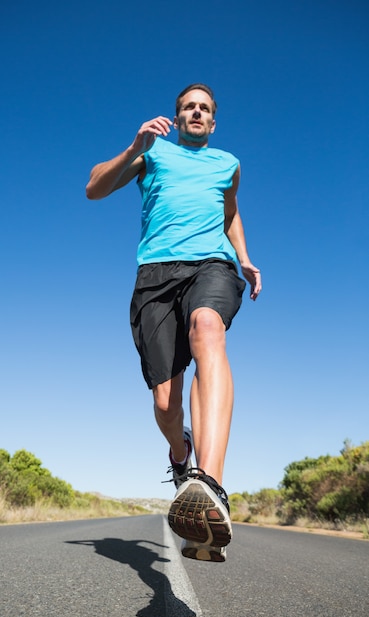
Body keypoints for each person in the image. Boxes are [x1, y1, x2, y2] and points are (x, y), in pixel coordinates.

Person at [86, 83, 261, 562]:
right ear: (178, 116)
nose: (197, 113)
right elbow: (93, 189)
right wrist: (134, 147)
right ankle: (181, 456)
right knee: (166, 402)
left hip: (213, 267)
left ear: (214, 120)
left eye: (205, 108)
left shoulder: (229, 164)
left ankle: (212, 485)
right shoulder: (154, 152)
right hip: (156, 275)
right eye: (189, 107)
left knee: (209, 327)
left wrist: (243, 258)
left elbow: (230, 213)